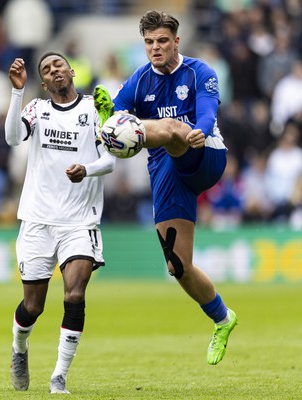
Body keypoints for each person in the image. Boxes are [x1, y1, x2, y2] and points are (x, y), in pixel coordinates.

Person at [94, 10, 237, 366]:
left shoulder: (199, 72)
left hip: (204, 154)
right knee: (177, 265)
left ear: (176, 41)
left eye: (162, 41)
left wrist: (198, 129)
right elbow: (117, 116)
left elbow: (207, 112)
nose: (155, 48)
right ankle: (223, 319)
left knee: (172, 128)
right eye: (149, 42)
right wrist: (106, 119)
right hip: (165, 168)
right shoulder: (139, 80)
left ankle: (154, 134)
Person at [5, 53, 115, 394]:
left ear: (71, 71)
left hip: (79, 221)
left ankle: (59, 377)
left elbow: (109, 160)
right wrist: (16, 94)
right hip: (38, 219)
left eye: (59, 65)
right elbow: (11, 138)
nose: (54, 70)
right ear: (44, 82)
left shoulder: (93, 110)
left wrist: (87, 169)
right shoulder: (36, 109)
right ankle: (19, 348)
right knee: (33, 306)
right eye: (46, 70)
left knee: (74, 294)